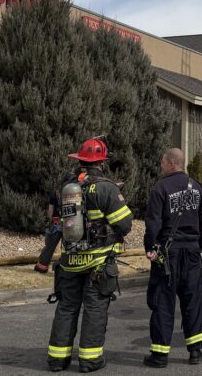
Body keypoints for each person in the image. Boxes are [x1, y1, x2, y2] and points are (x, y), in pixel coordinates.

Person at [47, 138, 133, 372]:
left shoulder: (68, 187)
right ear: (102, 163)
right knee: (94, 309)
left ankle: (57, 360)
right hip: (98, 263)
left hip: (69, 261)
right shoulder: (106, 188)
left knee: (67, 307)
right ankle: (89, 360)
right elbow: (124, 224)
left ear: (80, 161)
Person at [143, 148, 202, 368]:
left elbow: (153, 223)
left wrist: (150, 247)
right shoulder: (197, 187)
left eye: (163, 161)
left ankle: (160, 355)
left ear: (172, 163)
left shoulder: (160, 188)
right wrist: (198, 245)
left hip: (168, 255)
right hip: (191, 253)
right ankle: (196, 351)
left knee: (163, 302)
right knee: (193, 301)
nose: (161, 165)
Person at [36, 172, 76, 274]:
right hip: (70, 224)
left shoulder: (55, 193)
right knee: (69, 247)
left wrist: (50, 221)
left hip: (56, 224)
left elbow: (50, 211)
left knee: (50, 247)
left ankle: (42, 267)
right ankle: (67, 268)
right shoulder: (74, 193)